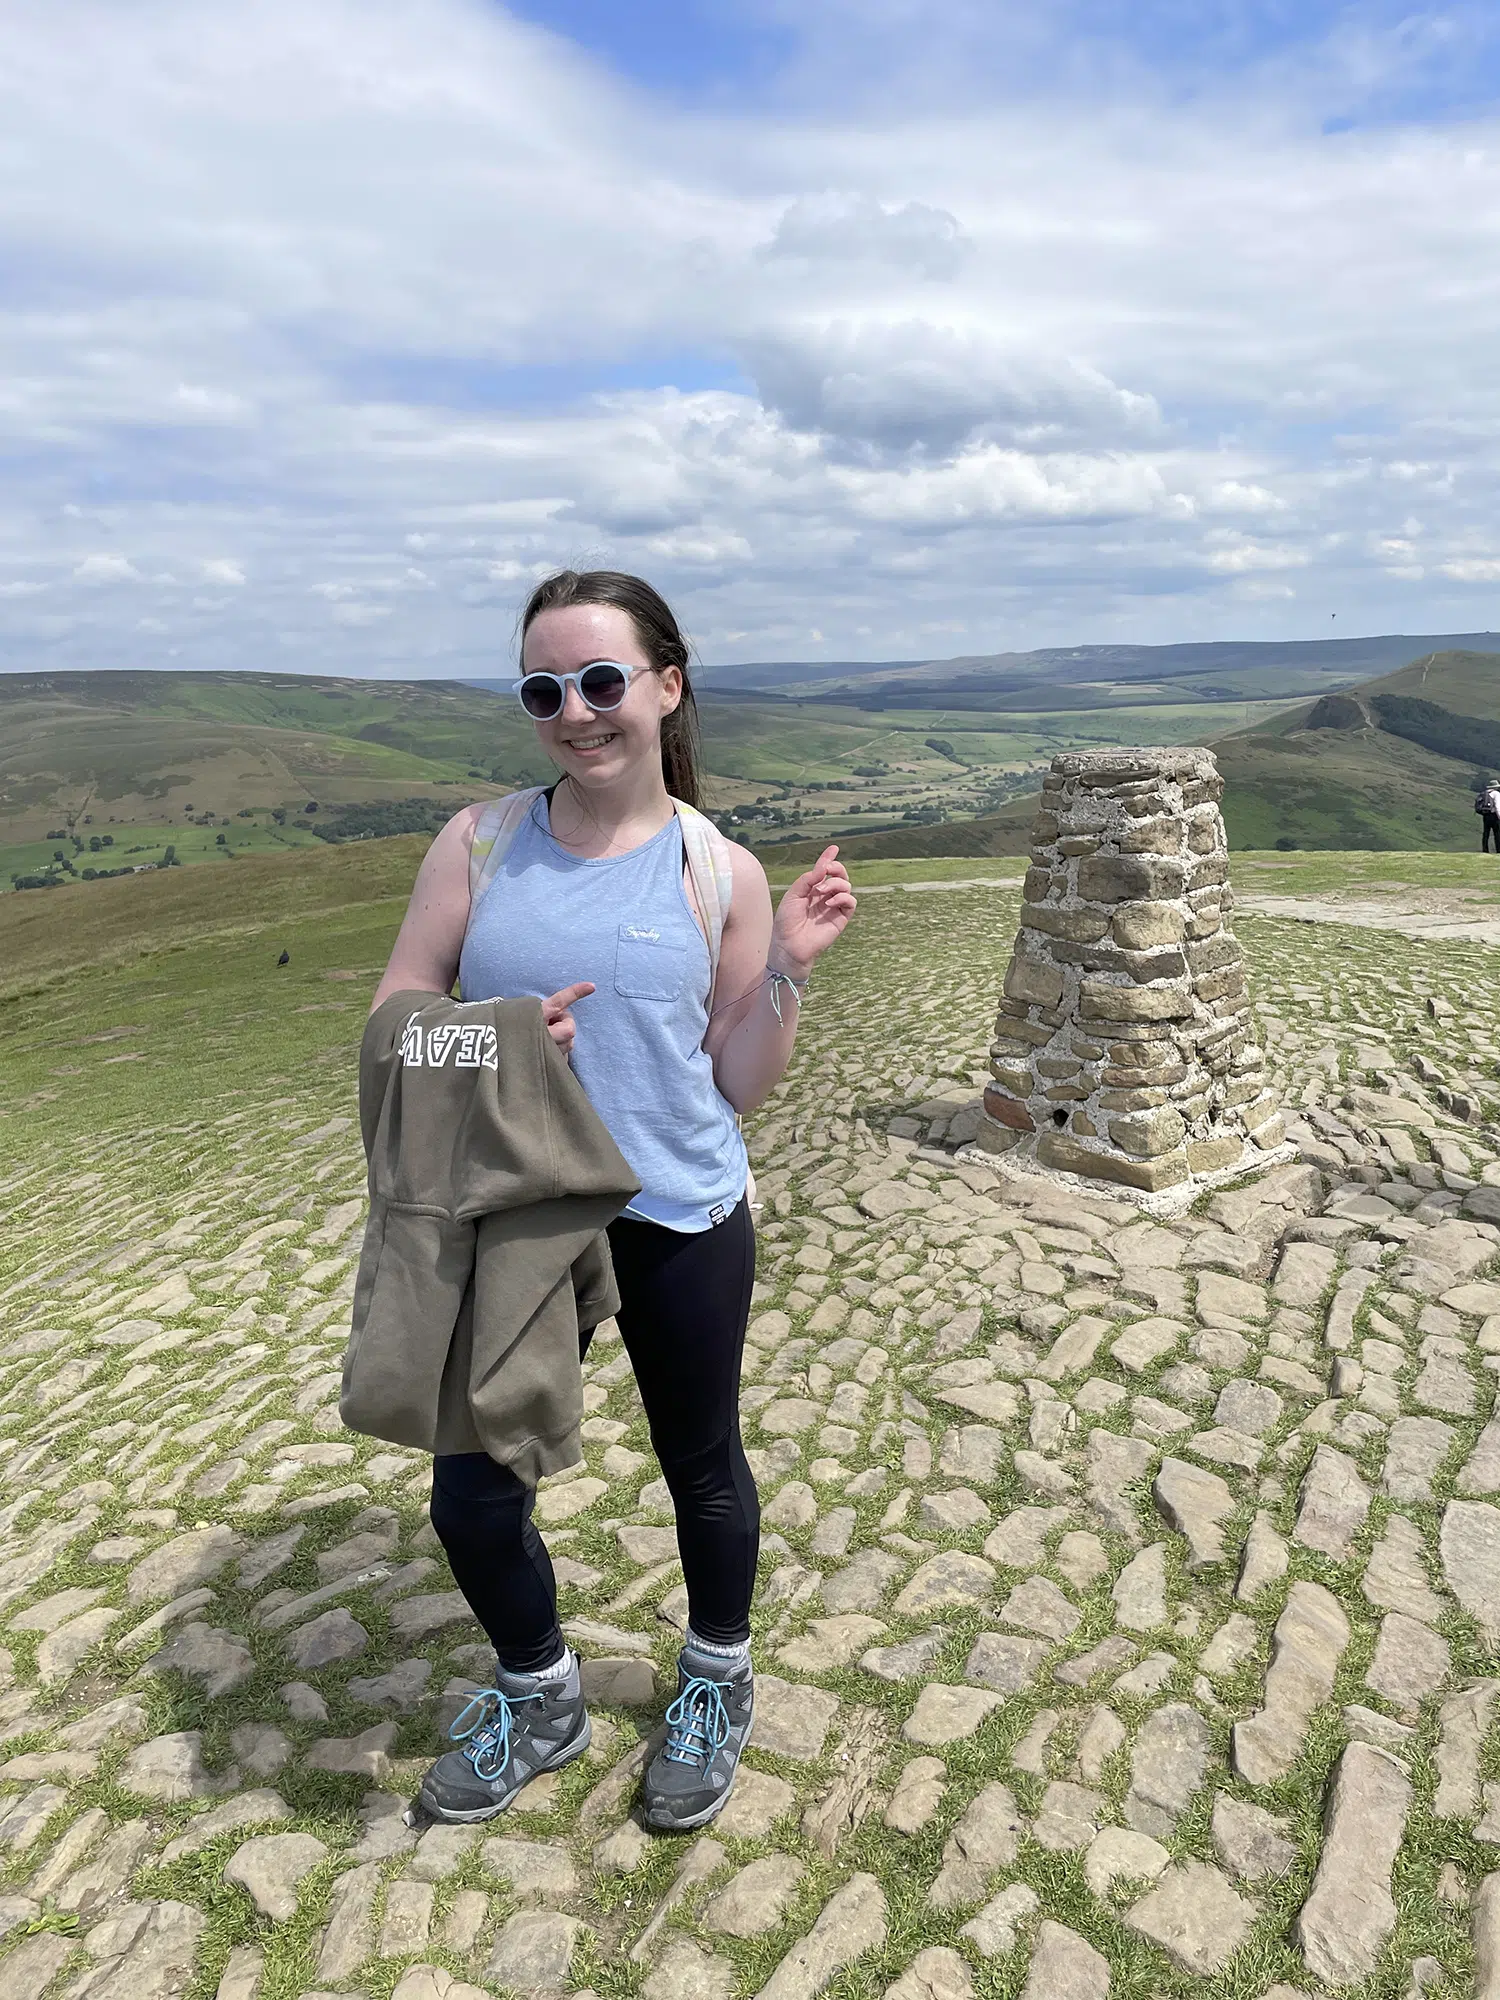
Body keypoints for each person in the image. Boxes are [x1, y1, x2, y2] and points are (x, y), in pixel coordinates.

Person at [369, 569, 856, 1830]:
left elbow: (737, 1079)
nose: (576, 711)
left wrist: (788, 971)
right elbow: (393, 1024)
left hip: (679, 1209)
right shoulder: (477, 844)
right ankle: (541, 1694)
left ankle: (715, 1677)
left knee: (702, 1465)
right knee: (472, 1489)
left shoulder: (719, 869)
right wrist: (500, 1042)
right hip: (522, 1211)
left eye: (601, 681)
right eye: (546, 689)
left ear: (666, 685)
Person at [1478, 780, 1500, 854]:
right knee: (1497, 833)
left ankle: (1485, 850)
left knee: (1486, 833)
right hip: (1494, 815)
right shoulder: (1496, 794)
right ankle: (1498, 850)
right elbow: (1497, 806)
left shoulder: (1484, 793)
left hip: (1486, 815)